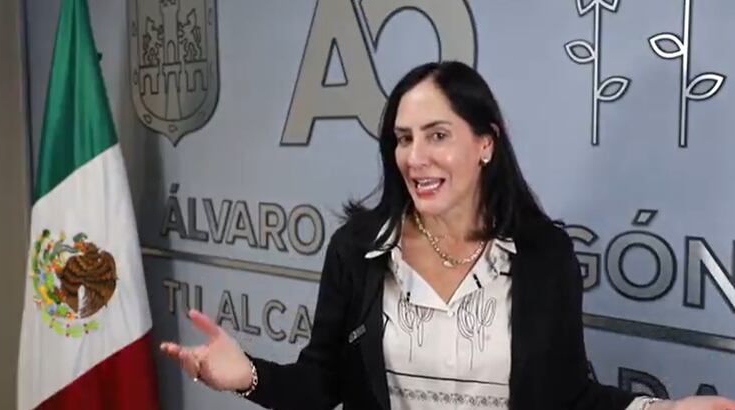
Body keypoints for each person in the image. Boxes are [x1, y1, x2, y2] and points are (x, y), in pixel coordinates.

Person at [161, 61, 735, 410]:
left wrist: (666, 409)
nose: (415, 157)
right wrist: (248, 376)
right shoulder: (358, 249)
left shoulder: (544, 256)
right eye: (403, 138)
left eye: (437, 135)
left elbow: (568, 399)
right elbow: (320, 385)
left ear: (485, 143)